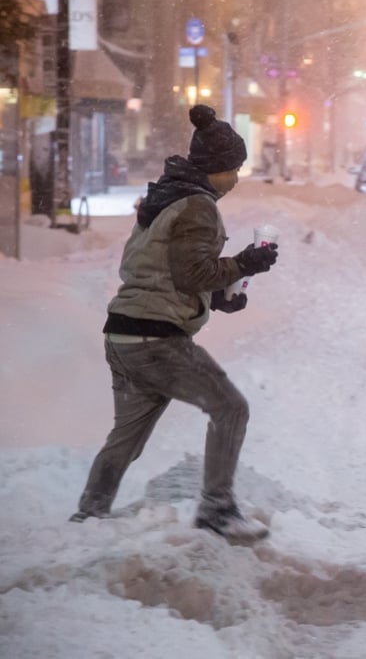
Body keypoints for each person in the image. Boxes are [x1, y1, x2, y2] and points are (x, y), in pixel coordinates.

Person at [70, 104, 279, 541]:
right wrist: (244, 263)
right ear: (215, 168)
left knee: (126, 438)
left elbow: (161, 268)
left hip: (123, 335)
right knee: (230, 407)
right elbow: (191, 274)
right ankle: (217, 510)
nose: (237, 178)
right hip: (157, 339)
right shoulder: (199, 206)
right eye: (234, 169)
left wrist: (219, 298)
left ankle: (88, 517)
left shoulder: (166, 196)